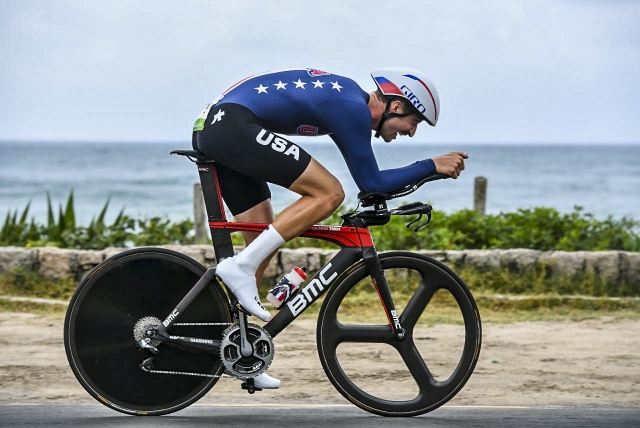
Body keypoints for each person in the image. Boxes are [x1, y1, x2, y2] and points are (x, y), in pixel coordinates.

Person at [191, 67, 467, 389]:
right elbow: (372, 181)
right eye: (415, 121)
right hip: (230, 124)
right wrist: (431, 165)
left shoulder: (347, 106)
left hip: (220, 125)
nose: (412, 132)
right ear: (396, 106)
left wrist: (426, 172)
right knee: (330, 193)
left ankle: (240, 351)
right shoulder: (351, 107)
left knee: (261, 240)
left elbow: (369, 186)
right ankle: (240, 270)